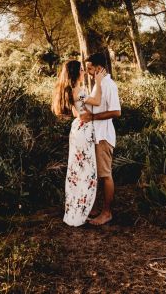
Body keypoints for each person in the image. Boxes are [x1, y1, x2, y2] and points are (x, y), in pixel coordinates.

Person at [52, 59, 102, 226]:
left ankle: (76, 210)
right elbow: (97, 102)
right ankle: (82, 211)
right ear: (75, 73)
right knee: (86, 171)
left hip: (76, 130)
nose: (84, 71)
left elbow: (77, 112)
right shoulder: (79, 90)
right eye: (81, 69)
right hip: (84, 130)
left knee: (76, 171)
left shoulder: (69, 89)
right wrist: (99, 82)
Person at [80, 52, 121, 226]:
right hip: (96, 136)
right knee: (96, 174)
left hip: (104, 137)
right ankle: (97, 208)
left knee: (105, 175)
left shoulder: (109, 85)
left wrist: (93, 118)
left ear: (99, 67)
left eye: (90, 68)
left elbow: (116, 112)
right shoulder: (99, 84)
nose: (88, 71)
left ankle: (107, 213)